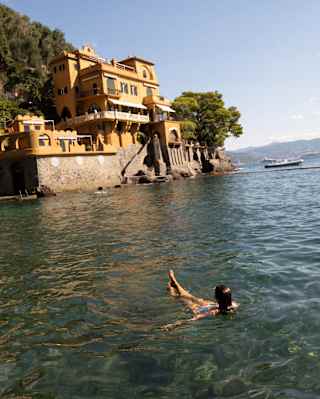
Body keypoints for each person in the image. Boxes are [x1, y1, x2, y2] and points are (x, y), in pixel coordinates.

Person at [162, 270, 238, 330]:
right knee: (181, 296)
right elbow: (195, 318)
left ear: (217, 298)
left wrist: (173, 325)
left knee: (184, 296)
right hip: (209, 306)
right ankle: (173, 284)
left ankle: (174, 285)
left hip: (201, 308)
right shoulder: (233, 305)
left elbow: (194, 318)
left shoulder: (217, 310)